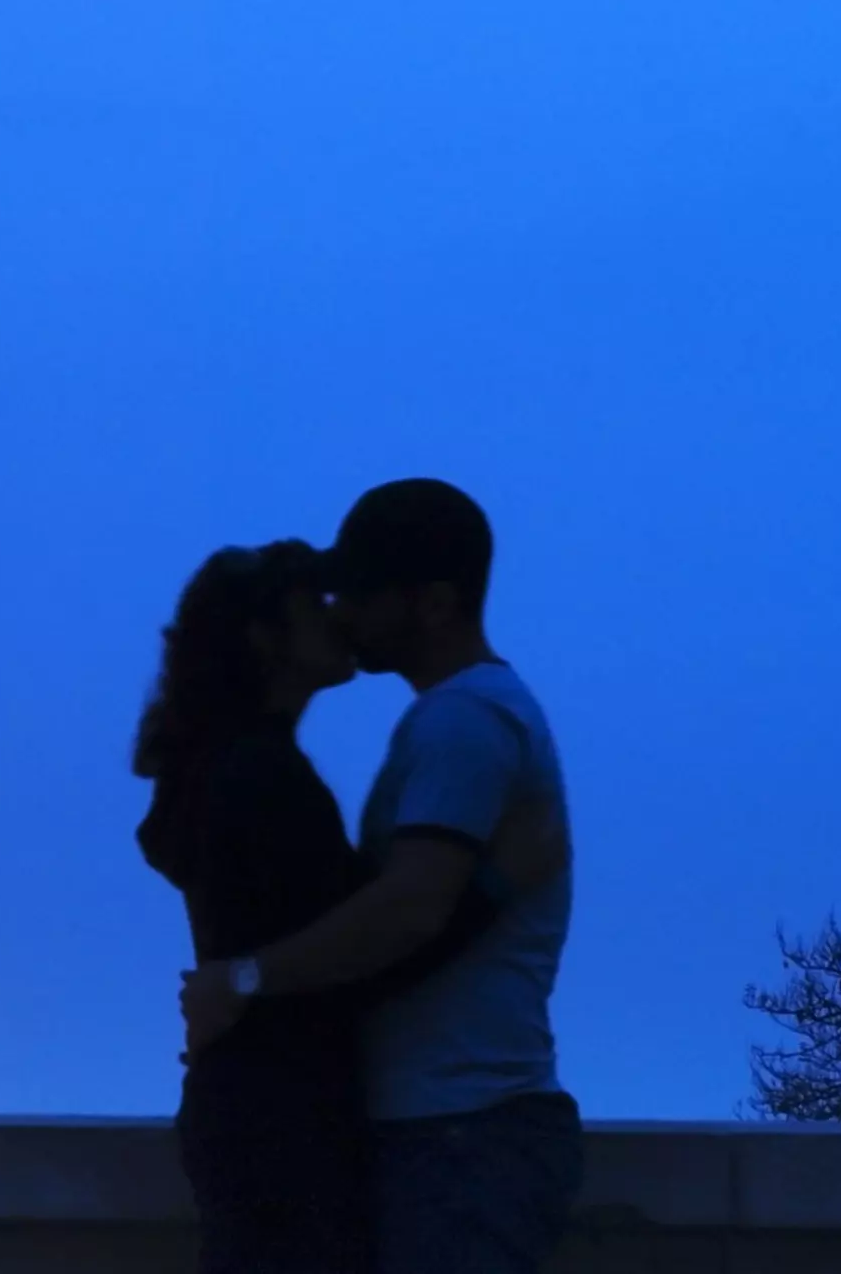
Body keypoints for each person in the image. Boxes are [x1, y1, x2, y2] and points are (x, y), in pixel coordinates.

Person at [180, 479, 581, 1274]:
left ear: (432, 604)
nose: (341, 608)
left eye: (360, 590)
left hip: (457, 1131)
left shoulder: (462, 720)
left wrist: (245, 980)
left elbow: (407, 911)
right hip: (451, 1127)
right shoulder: (463, 716)